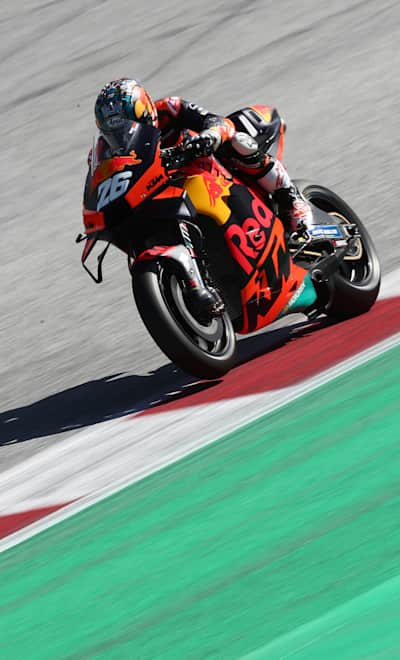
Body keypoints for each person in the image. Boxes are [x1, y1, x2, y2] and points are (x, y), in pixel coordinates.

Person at [92, 78, 313, 233]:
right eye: (115, 132)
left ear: (145, 111)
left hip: (207, 167)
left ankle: (291, 199)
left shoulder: (170, 109)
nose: (122, 136)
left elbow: (214, 121)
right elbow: (100, 183)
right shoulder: (103, 151)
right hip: (165, 192)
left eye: (128, 126)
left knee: (236, 140)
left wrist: (209, 136)